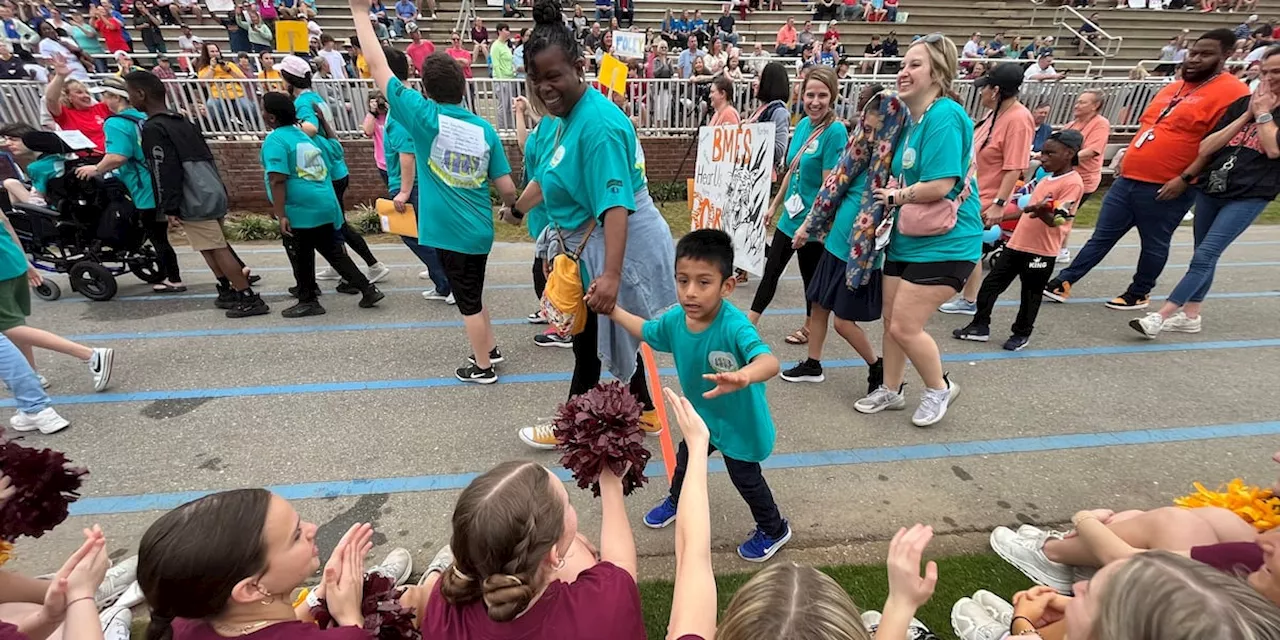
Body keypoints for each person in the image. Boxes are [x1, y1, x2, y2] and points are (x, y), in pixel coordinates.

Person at [513, 0, 677, 448]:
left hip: (619, 245)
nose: (545, 87)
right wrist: (516, 208)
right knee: (607, 335)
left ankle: (568, 427)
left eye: (554, 76)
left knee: (587, 341)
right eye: (537, 78)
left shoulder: (597, 125)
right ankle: (644, 410)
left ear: (579, 67)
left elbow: (616, 206)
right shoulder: (566, 118)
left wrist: (611, 275)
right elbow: (551, 179)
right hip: (593, 245)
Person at [352, 3, 517, 384]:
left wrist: (360, 14)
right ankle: (489, 348)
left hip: (451, 233)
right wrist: (511, 210)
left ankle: (483, 368)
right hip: (479, 231)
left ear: (425, 90)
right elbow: (507, 188)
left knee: (468, 301)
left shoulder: (424, 117)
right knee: (473, 292)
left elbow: (379, 68)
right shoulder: (484, 129)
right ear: (463, 86)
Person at [606, 229, 789, 561]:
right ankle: (676, 501)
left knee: (746, 479)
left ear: (727, 286)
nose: (690, 292)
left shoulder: (735, 326)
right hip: (703, 418)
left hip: (739, 424)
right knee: (685, 461)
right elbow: (647, 330)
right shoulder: (678, 320)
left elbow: (769, 360)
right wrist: (612, 310)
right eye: (682, 280)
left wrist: (743, 375)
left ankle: (774, 528)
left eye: (703, 282)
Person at [1044, 29, 1250, 311]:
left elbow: (1217, 145)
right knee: (1102, 235)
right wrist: (1127, 157)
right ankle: (1064, 281)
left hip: (1169, 183)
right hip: (1129, 177)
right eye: (1193, 53)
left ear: (1226, 55)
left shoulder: (1234, 92)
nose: (1195, 60)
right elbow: (1148, 127)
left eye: (1206, 54)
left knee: (1153, 242)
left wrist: (1185, 178)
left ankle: (1139, 292)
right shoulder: (1172, 87)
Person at [856, 33, 982, 427]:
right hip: (907, 239)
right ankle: (891, 390)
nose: (904, 72)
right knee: (892, 320)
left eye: (915, 65)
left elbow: (942, 183)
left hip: (947, 241)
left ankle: (940, 387)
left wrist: (894, 197)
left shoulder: (945, 115)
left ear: (938, 72)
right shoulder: (913, 121)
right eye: (903, 64)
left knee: (905, 326)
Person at [1131, 46, 1280, 339]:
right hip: (1214, 186)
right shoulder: (1242, 104)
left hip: (1251, 193)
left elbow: (1273, 149)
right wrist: (1246, 114)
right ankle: (1191, 315)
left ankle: (1160, 317)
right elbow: (1206, 148)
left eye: (1276, 72)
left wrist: (1263, 115)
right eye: (1264, 72)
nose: (1268, 78)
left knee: (1207, 254)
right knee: (1203, 254)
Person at [139, 490, 413, 640]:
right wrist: (349, 616)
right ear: (251, 589)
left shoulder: (183, 617)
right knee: (415, 600)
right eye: (295, 536)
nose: (312, 528)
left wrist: (317, 597)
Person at [417, 459, 642, 638]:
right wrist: (611, 487)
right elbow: (622, 567)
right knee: (578, 550)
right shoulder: (602, 607)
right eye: (568, 503)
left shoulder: (443, 608)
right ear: (553, 556)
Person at [125, 71, 269, 318]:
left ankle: (246, 295)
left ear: (141, 94)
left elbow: (163, 168)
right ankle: (226, 288)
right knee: (208, 245)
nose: (130, 100)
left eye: (130, 94)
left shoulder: (154, 128)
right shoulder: (183, 122)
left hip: (190, 194)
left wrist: (168, 206)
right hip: (209, 186)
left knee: (215, 246)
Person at [954, 130, 1085, 351]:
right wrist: (999, 217)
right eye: (1042, 152)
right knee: (990, 285)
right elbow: (1027, 210)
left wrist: (1041, 211)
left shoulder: (1073, 183)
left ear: (1069, 153)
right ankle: (979, 325)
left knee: (1030, 294)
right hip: (1017, 244)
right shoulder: (1047, 180)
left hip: (1041, 251)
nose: (1042, 158)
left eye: (1049, 153)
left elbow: (1058, 220)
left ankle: (1021, 333)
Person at [259, 93, 383, 317]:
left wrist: (281, 214)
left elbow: (277, 179)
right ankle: (367, 289)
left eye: (263, 109)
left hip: (301, 207)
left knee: (300, 252)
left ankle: (308, 299)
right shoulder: (304, 137)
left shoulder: (276, 140)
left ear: (271, 117)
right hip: (323, 201)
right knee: (332, 251)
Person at [750, 67, 846, 348]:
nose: (815, 102)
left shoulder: (835, 132)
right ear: (801, 96)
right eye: (810, 95)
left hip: (813, 224)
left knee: (810, 280)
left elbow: (829, 186)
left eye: (822, 95)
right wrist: (773, 205)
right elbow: (792, 170)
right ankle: (749, 324)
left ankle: (808, 326)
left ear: (833, 97)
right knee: (771, 272)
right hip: (790, 218)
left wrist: (809, 225)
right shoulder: (803, 124)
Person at [274, 55, 390, 285]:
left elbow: (311, 127)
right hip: (332, 167)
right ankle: (343, 265)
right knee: (334, 223)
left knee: (337, 224)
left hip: (326, 171)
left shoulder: (303, 103)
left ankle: (371, 266)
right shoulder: (316, 97)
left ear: (289, 79)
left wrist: (288, 124)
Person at [73, 77, 184, 294]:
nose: (103, 100)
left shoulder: (116, 123)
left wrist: (95, 169)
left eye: (105, 95)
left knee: (157, 235)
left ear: (116, 97)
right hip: (164, 180)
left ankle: (173, 278)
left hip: (143, 186)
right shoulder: (146, 117)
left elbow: (117, 156)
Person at [940, 63, 1034, 317]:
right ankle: (967, 296)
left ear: (995, 90)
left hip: (986, 197)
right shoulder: (996, 114)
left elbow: (1014, 167)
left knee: (970, 246)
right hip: (972, 193)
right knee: (969, 245)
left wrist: (999, 204)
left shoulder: (1018, 119)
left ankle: (970, 299)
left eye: (985, 88)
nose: (980, 94)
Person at [377, 46, 453, 304]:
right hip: (415, 182)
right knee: (425, 235)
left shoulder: (401, 109)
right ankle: (441, 281)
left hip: (412, 183)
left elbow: (407, 154)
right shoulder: (407, 101)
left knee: (416, 236)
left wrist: (404, 191)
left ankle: (447, 281)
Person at [43, 55, 107, 151]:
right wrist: (60, 76)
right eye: (79, 92)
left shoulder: (101, 108)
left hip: (112, 156)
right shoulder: (65, 115)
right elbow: (51, 99)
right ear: (68, 97)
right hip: (88, 159)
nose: (86, 95)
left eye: (87, 92)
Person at [196, 43, 257, 128]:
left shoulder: (229, 64)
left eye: (216, 51)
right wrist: (212, 68)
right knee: (211, 106)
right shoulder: (204, 67)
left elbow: (244, 79)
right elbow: (203, 82)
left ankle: (254, 126)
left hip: (236, 93)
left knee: (247, 107)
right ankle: (226, 127)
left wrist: (228, 70)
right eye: (212, 51)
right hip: (217, 94)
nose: (215, 53)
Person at [491, 23, 516, 129]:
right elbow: (496, 64)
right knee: (503, 106)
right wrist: (501, 80)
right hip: (502, 80)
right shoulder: (495, 46)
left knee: (510, 106)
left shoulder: (506, 45)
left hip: (510, 78)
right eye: (506, 30)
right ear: (500, 31)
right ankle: (502, 128)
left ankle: (510, 127)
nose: (508, 32)